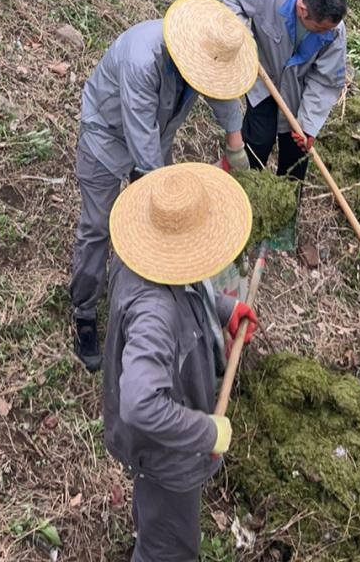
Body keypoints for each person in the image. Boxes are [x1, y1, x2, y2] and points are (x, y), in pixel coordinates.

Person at [70, 0, 257, 371]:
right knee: (98, 227)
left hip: (157, 136)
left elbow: (221, 97)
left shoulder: (203, 54)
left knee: (169, 226)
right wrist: (161, 202)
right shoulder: (143, 60)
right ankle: (85, 312)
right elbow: (140, 137)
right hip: (107, 136)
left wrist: (235, 145)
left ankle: (168, 293)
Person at [104, 163, 257, 562]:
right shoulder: (155, 311)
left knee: (157, 516)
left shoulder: (150, 258)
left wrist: (223, 309)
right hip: (166, 453)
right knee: (170, 551)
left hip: (161, 448)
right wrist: (207, 432)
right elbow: (140, 403)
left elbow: (191, 290)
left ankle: (151, 526)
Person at [220, 0, 348, 178]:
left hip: (299, 91)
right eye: (321, 29)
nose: (327, 33)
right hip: (263, 79)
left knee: (297, 152)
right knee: (258, 140)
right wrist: (244, 39)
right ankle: (244, 190)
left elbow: (325, 81)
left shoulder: (334, 31)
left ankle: (287, 202)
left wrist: (308, 124)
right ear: (303, 11)